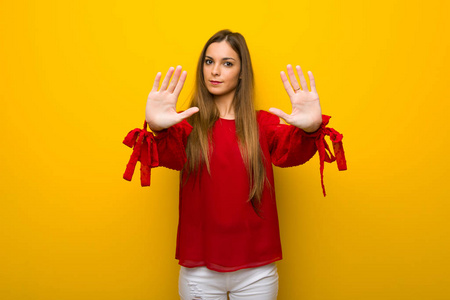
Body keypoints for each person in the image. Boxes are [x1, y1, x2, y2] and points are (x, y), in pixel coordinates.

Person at [123, 29, 346, 300]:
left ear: (242, 72)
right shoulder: (184, 126)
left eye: (227, 63)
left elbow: (290, 153)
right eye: (209, 61)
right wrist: (159, 128)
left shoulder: (262, 124)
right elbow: (169, 156)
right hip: (199, 271)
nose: (215, 71)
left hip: (257, 273)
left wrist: (311, 129)